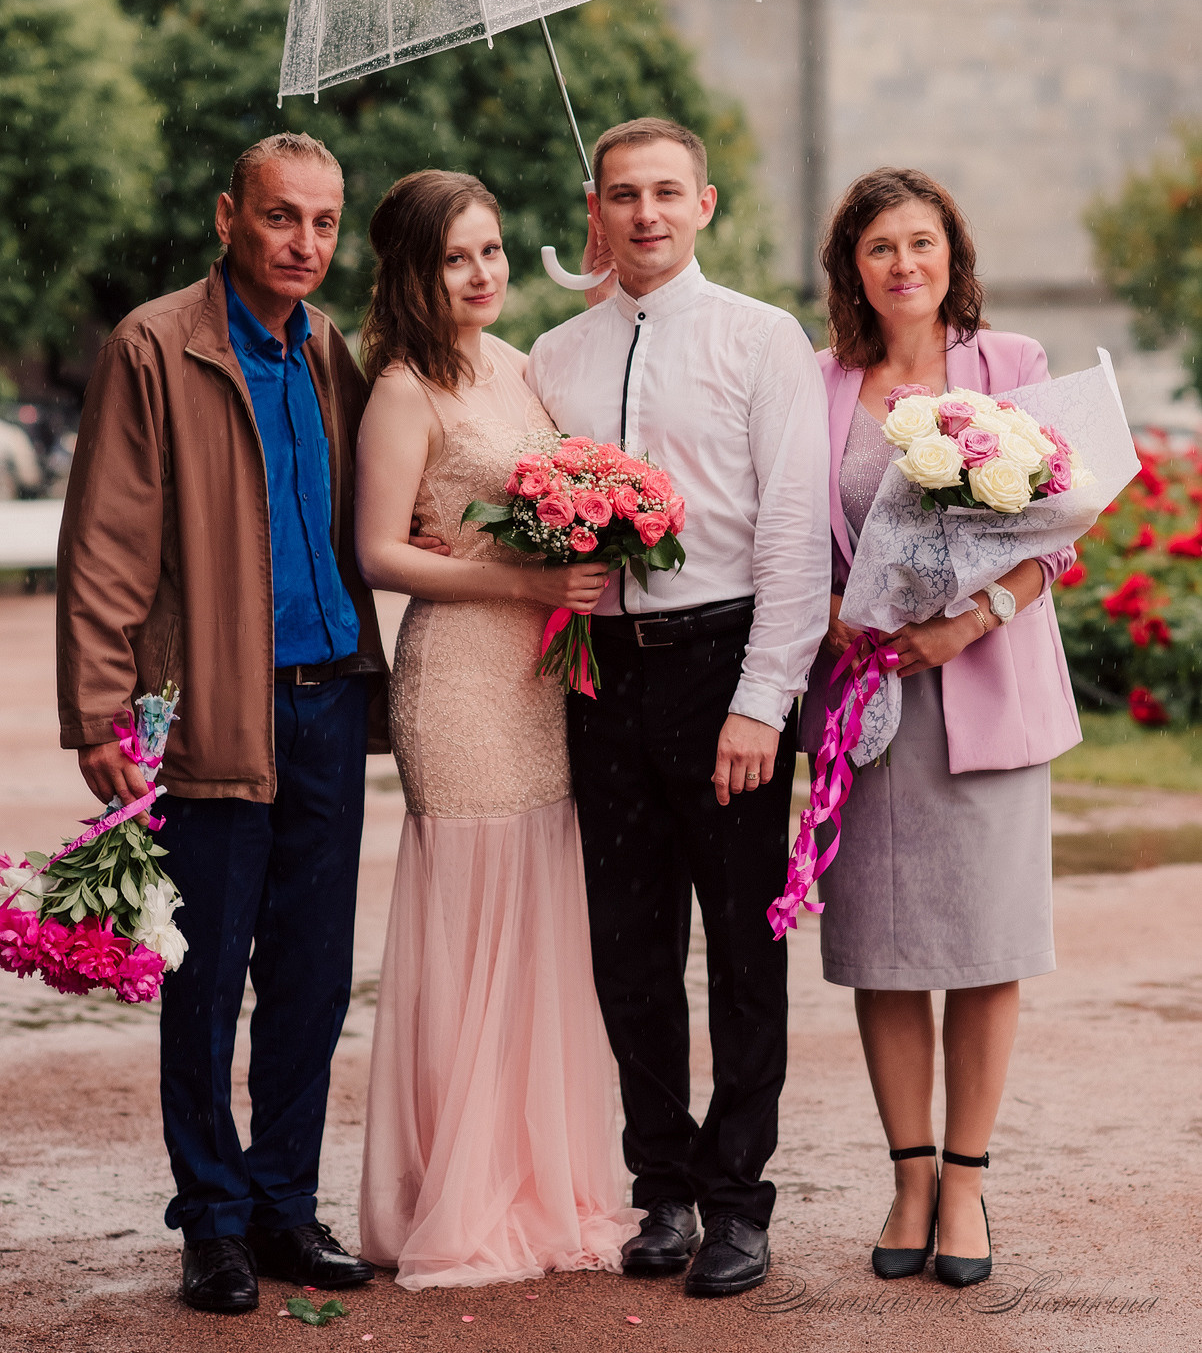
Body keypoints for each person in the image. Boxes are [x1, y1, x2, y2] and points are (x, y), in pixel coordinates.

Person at [57, 133, 387, 1315]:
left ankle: (286, 1208)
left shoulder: (329, 349)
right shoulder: (157, 345)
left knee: (311, 976)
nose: (304, 243)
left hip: (331, 702)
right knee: (205, 982)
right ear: (226, 218)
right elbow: (104, 541)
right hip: (211, 713)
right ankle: (212, 1220)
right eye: (280, 218)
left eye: (323, 222)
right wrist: (102, 707)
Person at [525, 118, 830, 1299]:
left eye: (664, 192)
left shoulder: (762, 340)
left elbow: (796, 539)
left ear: (704, 202)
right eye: (620, 194)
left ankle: (737, 1201)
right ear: (592, 211)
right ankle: (657, 1189)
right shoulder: (552, 356)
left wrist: (762, 704)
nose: (643, 213)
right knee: (628, 944)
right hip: (601, 670)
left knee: (742, 947)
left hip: (723, 664)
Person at [354, 169, 635, 1290]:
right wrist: (522, 585)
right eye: (455, 258)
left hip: (542, 678)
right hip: (462, 678)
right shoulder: (401, 390)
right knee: (475, 914)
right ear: (415, 273)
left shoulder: (524, 367)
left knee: (542, 917)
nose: (481, 273)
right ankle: (458, 1193)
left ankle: (542, 1179)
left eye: (492, 251)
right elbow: (380, 552)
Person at [806, 167, 1080, 1289]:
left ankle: (963, 1182)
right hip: (865, 699)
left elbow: (1061, 531)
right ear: (852, 270)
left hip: (987, 687)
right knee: (883, 948)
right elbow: (793, 530)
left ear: (948, 256)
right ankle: (907, 1176)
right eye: (879, 247)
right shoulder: (821, 384)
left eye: (920, 243)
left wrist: (970, 619)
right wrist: (833, 620)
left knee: (980, 945)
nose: (902, 264)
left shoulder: (1007, 367)